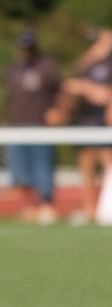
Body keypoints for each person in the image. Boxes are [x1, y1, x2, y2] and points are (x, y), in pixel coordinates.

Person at [4, 31, 62, 224]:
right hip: (17, 126)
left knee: (42, 167)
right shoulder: (13, 70)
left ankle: (46, 205)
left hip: (40, 126)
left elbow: (62, 91)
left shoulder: (47, 67)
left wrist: (57, 110)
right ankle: (29, 208)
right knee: (20, 170)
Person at [58, 26, 112, 223]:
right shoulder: (86, 62)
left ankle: (106, 208)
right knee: (86, 165)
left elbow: (105, 95)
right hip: (85, 120)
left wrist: (87, 88)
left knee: (108, 164)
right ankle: (88, 209)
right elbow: (73, 81)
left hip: (104, 122)